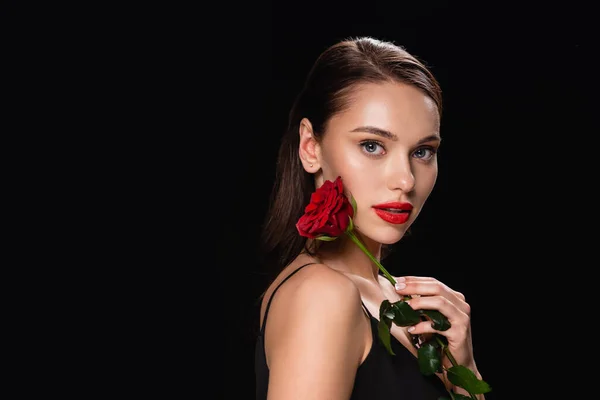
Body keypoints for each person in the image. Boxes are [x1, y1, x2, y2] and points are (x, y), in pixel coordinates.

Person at [255, 36, 486, 400]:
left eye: (423, 151)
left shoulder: (394, 300)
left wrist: (464, 371)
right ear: (310, 147)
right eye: (372, 146)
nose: (406, 180)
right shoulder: (322, 295)